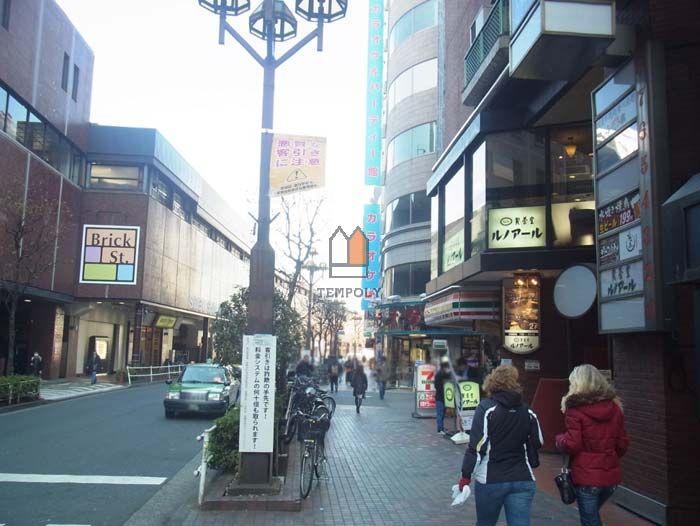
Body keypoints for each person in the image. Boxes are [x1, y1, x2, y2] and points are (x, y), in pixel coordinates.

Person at [459, 365, 543, 526]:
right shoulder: (527, 410)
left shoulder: (486, 408)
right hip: (522, 477)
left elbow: (477, 448)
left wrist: (465, 476)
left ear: (492, 382)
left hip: (491, 478)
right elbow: (538, 441)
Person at [555, 365, 629, 526]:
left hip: (586, 475)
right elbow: (622, 444)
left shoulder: (575, 410)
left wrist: (560, 440)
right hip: (610, 476)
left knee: (590, 520)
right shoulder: (615, 408)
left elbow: (572, 444)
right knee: (593, 518)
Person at [434, 356, 451, 435]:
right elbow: (437, 386)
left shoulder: (443, 374)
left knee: (442, 413)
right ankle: (440, 429)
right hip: (442, 397)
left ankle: (441, 428)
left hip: (442, 397)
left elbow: (436, 386)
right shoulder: (440, 374)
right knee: (440, 413)